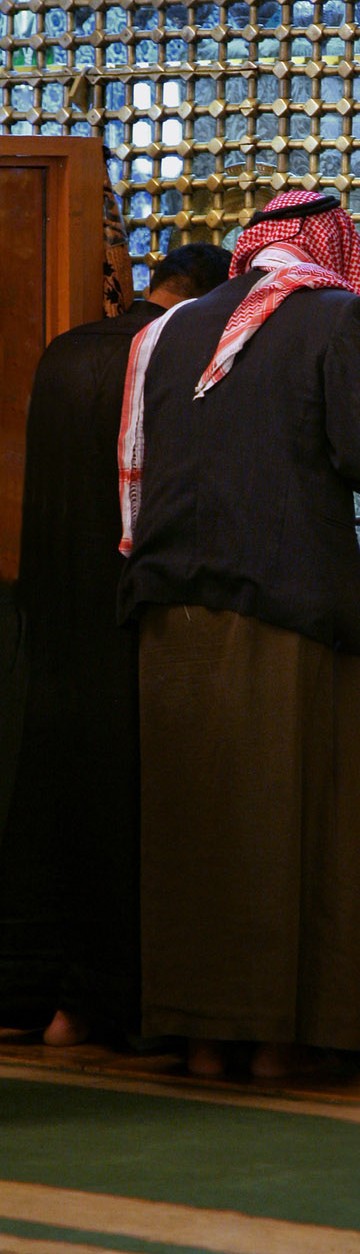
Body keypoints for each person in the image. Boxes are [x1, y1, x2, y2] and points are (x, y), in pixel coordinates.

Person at [117, 191, 360, 1080]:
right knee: (287, 822)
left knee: (194, 827)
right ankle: (280, 1039)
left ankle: (202, 1037)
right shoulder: (336, 317)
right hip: (286, 606)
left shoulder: (166, 331)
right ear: (329, 249)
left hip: (169, 615)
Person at [0, 244, 232, 1045]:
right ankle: (113, 1004)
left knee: (47, 805)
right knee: (127, 815)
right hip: (130, 624)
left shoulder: (67, 348)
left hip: (49, 617)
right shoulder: (169, 353)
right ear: (206, 299)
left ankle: (39, 995)